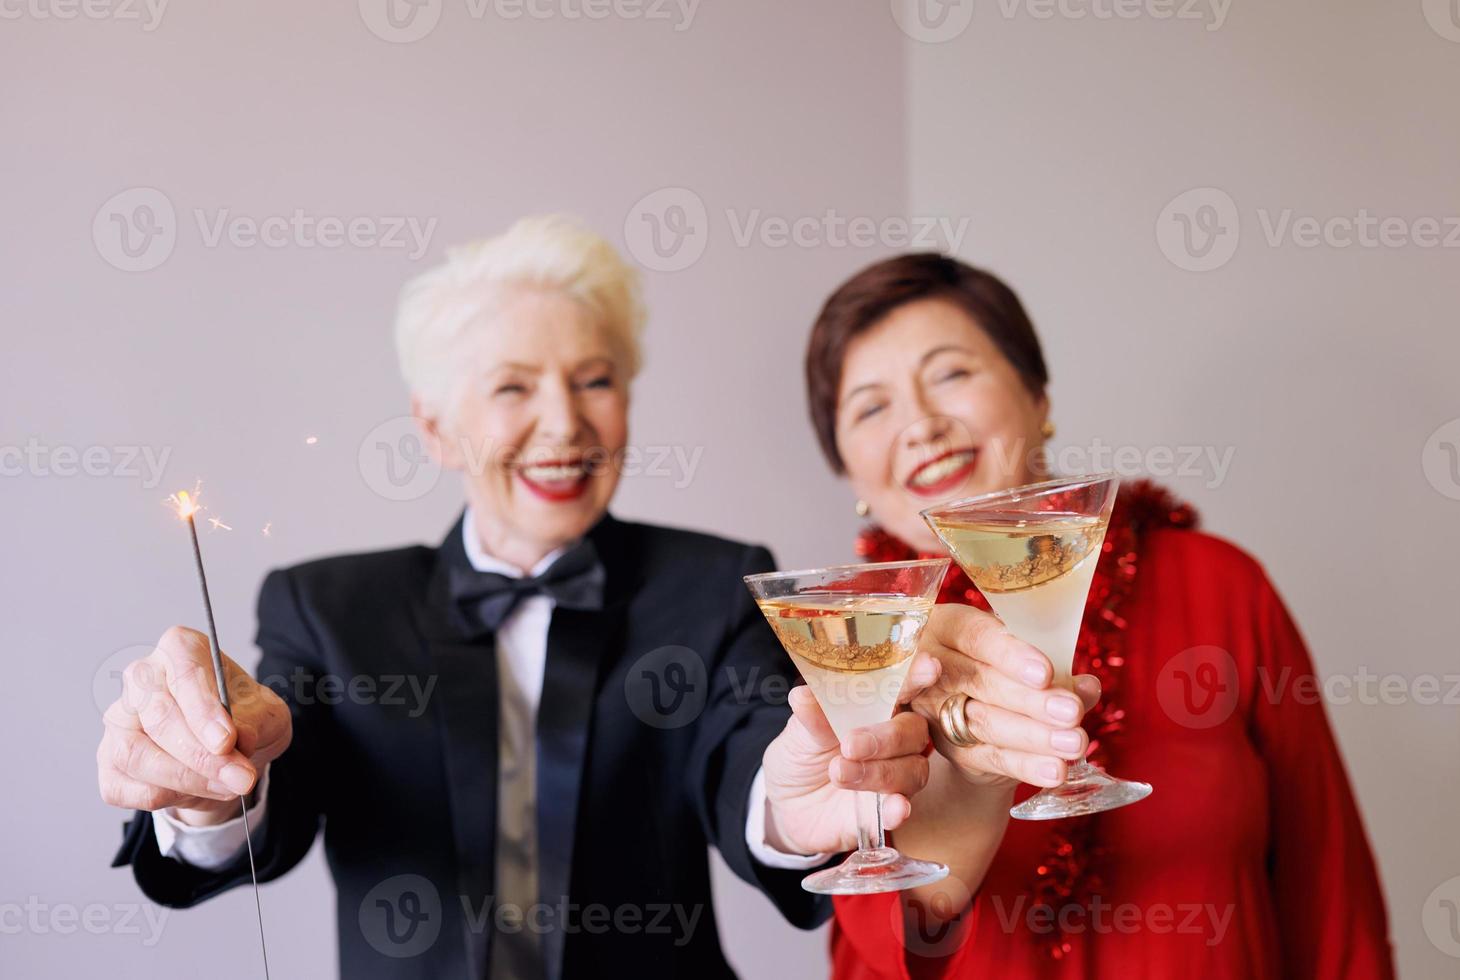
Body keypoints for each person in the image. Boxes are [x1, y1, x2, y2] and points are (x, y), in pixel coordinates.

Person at [97, 216, 938, 979]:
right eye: (511, 388)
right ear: (433, 429)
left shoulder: (713, 582)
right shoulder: (326, 604)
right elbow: (272, 801)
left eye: (594, 381)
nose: (564, 423)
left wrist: (795, 806)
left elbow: (751, 761)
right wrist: (213, 782)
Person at [802, 253, 1395, 978]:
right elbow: (875, 949)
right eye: (870, 407)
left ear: (1037, 397)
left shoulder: (1219, 584)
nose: (920, 425)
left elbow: (1329, 892)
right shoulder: (850, 646)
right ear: (848, 471)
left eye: (950, 373)